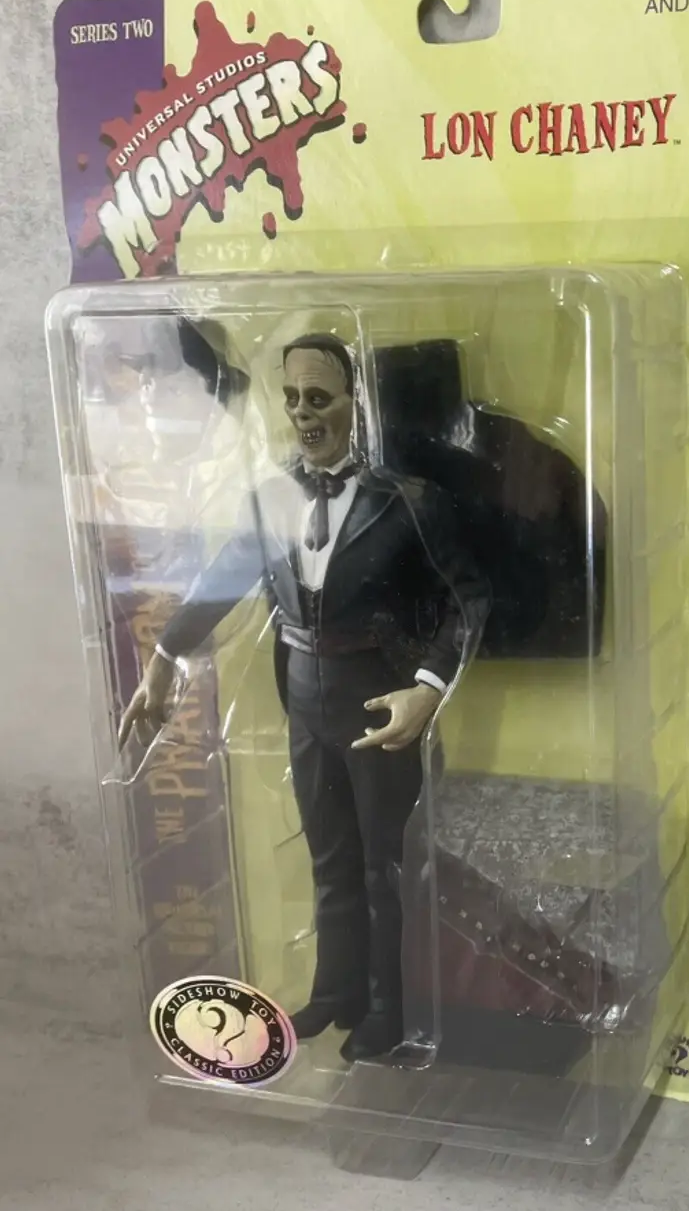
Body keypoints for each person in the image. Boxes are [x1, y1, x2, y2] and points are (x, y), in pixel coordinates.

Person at [119, 326, 487, 1061]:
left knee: (384, 864)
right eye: (291, 398)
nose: (302, 414)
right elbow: (222, 582)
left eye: (318, 398)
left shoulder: (408, 502)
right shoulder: (271, 499)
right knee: (328, 857)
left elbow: (469, 600)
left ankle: (387, 1008)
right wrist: (163, 656)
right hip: (305, 697)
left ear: (355, 402)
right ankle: (335, 991)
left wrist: (427, 687)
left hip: (377, 702)